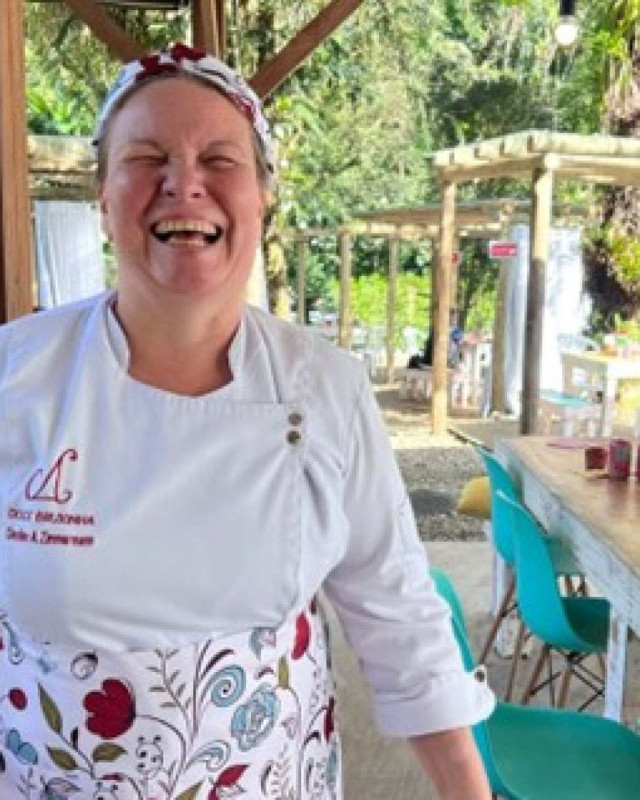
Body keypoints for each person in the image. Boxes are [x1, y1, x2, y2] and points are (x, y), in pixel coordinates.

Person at [0, 45, 494, 799]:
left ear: (263, 198)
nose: (183, 184)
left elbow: (398, 612)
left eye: (219, 159)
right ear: (103, 200)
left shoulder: (326, 386)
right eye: (147, 156)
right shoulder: (15, 373)